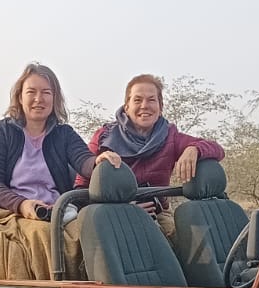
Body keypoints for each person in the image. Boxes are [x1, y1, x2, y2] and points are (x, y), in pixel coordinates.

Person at [0, 63, 120, 280]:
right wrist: (22, 204)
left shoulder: (64, 134)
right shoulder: (1, 132)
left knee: (95, 229)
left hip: (59, 210)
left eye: (46, 93)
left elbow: (83, 160)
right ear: (20, 97)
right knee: (42, 235)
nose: (38, 99)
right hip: (14, 211)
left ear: (55, 99)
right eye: (31, 92)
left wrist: (99, 161)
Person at [83, 74, 225, 239]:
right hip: (111, 214)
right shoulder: (103, 138)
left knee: (188, 240)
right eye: (137, 100)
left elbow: (217, 149)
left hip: (158, 214)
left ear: (160, 107)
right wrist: (124, 207)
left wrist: (194, 149)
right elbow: (80, 187)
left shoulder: (170, 136)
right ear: (126, 106)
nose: (145, 106)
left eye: (151, 100)